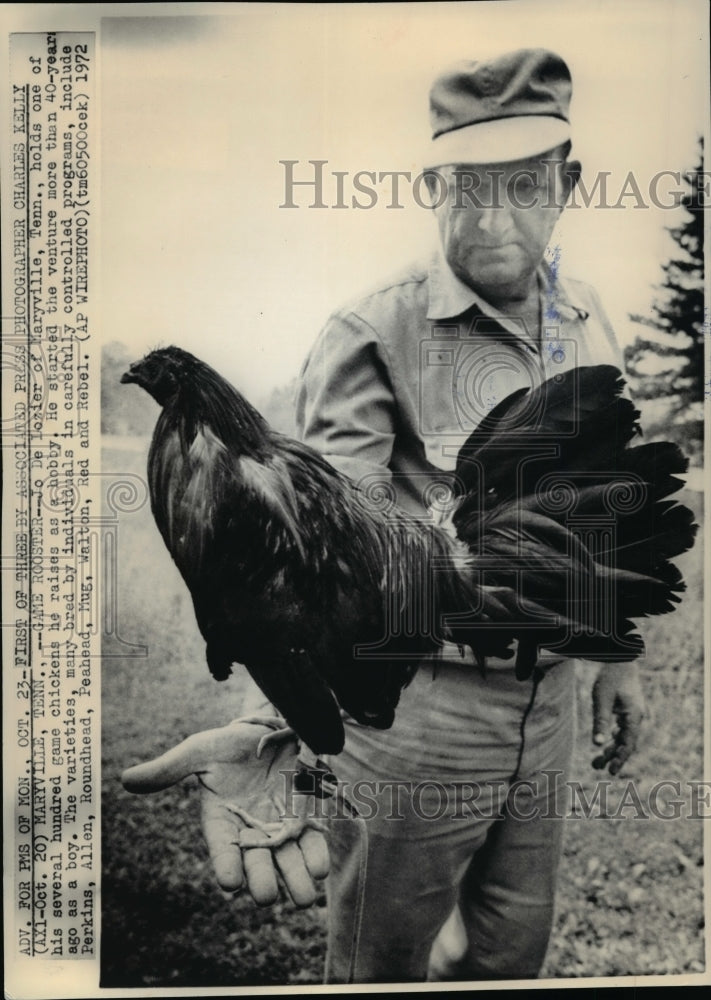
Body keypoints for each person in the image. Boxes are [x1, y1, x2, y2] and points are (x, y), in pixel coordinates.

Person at [122, 48, 645, 983]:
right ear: (430, 183)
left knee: (507, 950)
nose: (491, 213)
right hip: (418, 709)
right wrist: (274, 715)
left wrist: (617, 663)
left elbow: (605, 505)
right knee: (383, 964)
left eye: (523, 182)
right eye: (465, 184)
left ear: (568, 182)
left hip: (551, 699)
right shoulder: (372, 331)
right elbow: (294, 548)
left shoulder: (591, 315)